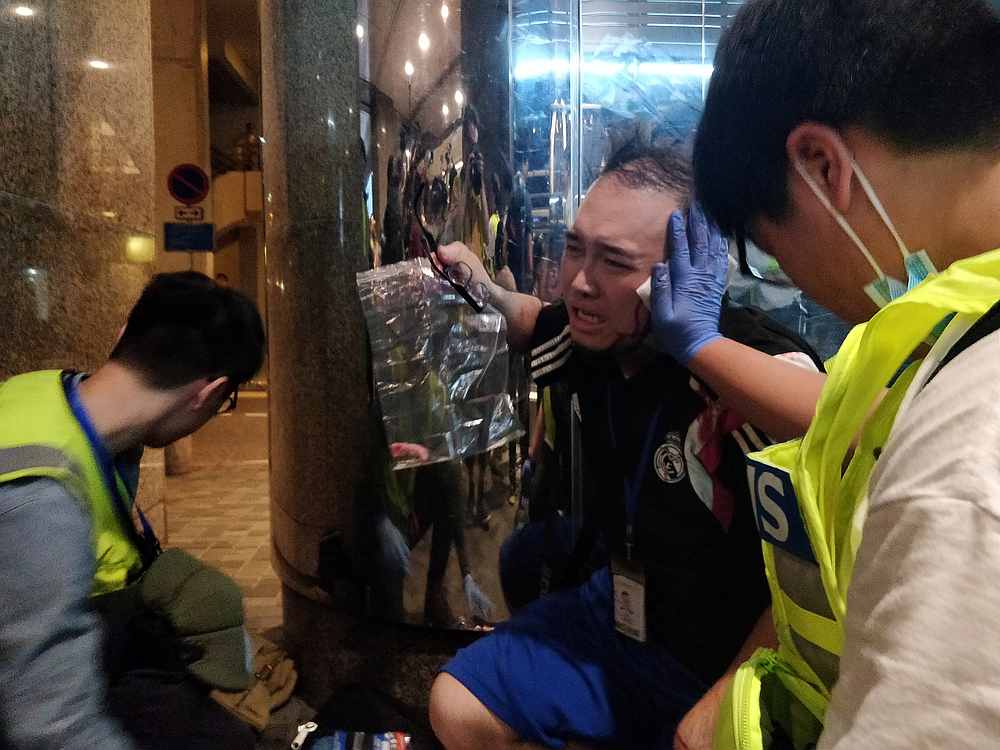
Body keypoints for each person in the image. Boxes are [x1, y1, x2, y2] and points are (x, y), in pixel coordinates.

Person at [649, 1, 1000, 747]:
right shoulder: (952, 329)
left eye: (770, 250)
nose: (793, 283)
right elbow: (854, 409)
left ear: (823, 166)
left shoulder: (965, 464)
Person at [428, 141, 822, 750]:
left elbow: (815, 572)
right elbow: (535, 318)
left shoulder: (750, 372)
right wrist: (482, 286)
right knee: (455, 707)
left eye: (615, 261)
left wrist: (725, 693)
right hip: (624, 612)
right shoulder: (599, 338)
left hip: (729, 650)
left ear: (688, 269)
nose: (580, 282)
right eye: (574, 247)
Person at [0, 271, 266, 749]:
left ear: (123, 333)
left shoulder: (44, 394)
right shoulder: (41, 499)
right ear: (209, 394)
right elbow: (52, 729)